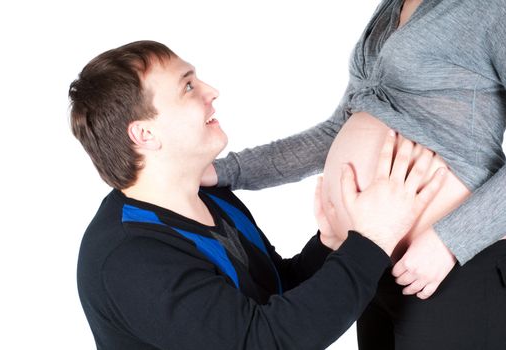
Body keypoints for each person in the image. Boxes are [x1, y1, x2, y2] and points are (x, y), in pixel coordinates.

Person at [69, 40, 445, 349]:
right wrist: (372, 240)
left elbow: (274, 293)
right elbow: (264, 340)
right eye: (187, 87)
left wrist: (329, 245)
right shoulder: (128, 257)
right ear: (144, 135)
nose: (211, 93)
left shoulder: (212, 200)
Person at [204, 0, 506, 348]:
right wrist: (222, 171)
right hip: (370, 265)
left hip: (451, 270)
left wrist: (450, 242)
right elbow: (336, 130)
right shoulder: (392, 6)